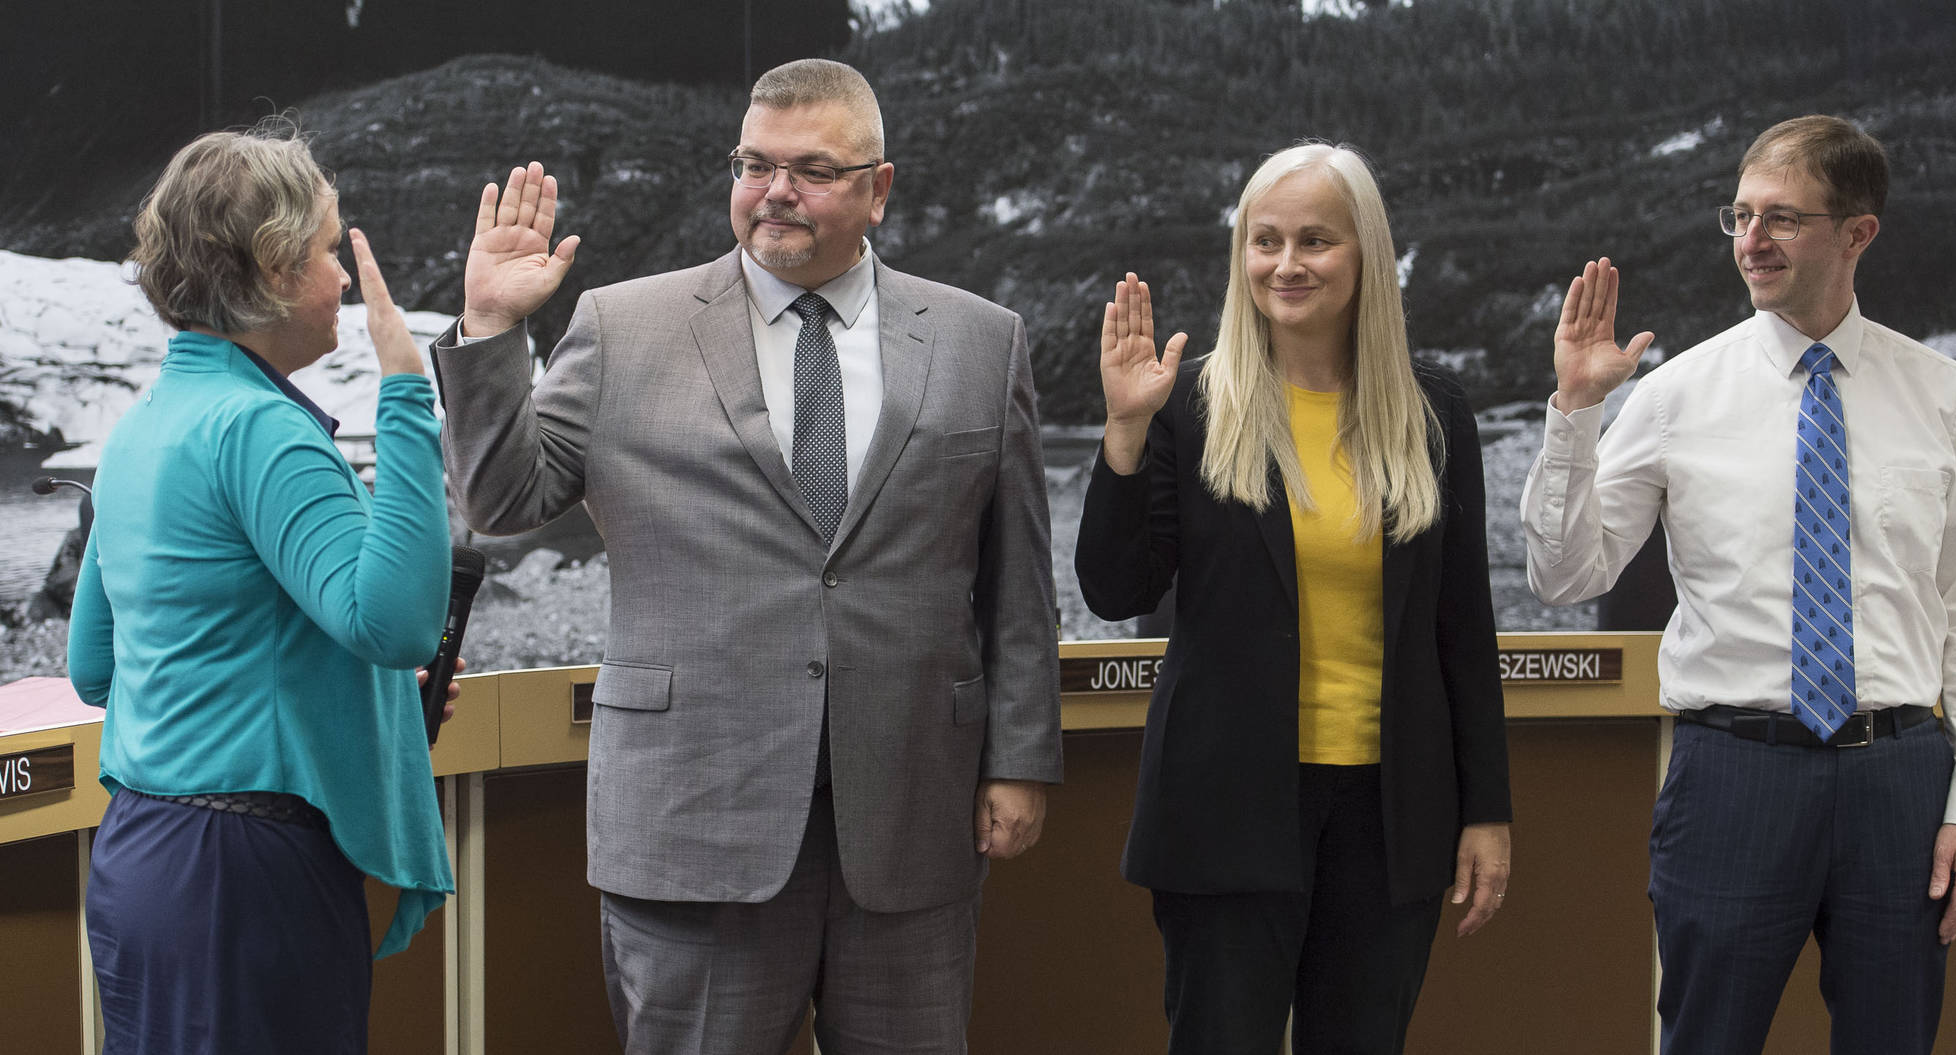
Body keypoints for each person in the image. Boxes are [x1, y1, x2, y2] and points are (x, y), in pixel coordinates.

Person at [431, 59, 1063, 1053]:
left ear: (877, 188)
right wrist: (493, 326)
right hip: (693, 822)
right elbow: (502, 498)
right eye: (753, 163)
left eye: (811, 168)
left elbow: (1015, 578)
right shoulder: (621, 325)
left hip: (908, 822)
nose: (774, 190)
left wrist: (1020, 758)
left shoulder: (982, 341)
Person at [1519, 115, 1956, 1053]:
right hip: (1732, 775)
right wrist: (1576, 414)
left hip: (1901, 777)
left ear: (1857, 232)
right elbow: (1563, 572)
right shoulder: (1675, 395)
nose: (1750, 242)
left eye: (1782, 219)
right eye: (1740, 216)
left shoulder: (1945, 394)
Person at [1074, 142, 1513, 1054]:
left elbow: (1463, 629)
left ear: (1367, 255)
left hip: (1391, 821)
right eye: (1264, 239)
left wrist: (1487, 812)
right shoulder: (1188, 405)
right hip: (1223, 813)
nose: (1287, 263)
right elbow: (1116, 589)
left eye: (1316, 239)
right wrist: (1124, 430)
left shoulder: (1436, 414)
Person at [67, 123, 456, 1054]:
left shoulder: (142, 427)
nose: (344, 280)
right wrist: (406, 390)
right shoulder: (261, 429)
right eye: (330, 250)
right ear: (277, 266)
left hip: (139, 862)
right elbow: (399, 623)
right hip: (244, 879)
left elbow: (94, 666)